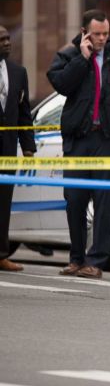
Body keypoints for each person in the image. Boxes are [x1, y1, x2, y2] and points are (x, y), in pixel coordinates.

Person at [47, 9, 110, 280]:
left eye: (105, 34)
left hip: (107, 140)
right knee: (74, 200)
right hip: (79, 139)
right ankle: (76, 259)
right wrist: (83, 58)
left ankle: (96, 261)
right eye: (96, 34)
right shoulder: (69, 55)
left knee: (103, 202)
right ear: (84, 33)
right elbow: (61, 84)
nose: (101, 39)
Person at [0, 25, 35, 272]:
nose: (7, 43)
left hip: (7, 150)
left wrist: (29, 148)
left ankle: (1, 254)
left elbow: (24, 114)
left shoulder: (18, 72)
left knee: (3, 203)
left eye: (8, 39)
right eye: (1, 39)